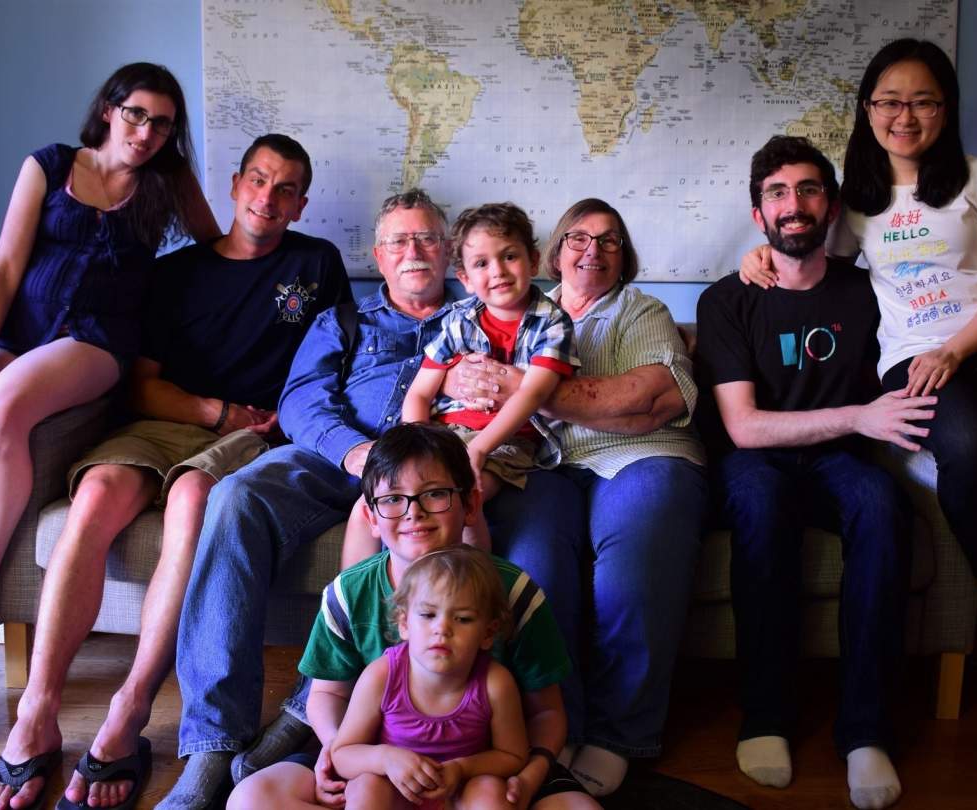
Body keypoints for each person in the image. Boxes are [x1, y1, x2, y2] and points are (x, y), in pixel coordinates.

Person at [161, 191, 598, 810]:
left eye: (426, 240)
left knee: (476, 520)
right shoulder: (342, 320)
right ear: (378, 255)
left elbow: (527, 387)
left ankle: (322, 706)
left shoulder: (481, 313)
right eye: (399, 241)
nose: (413, 252)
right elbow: (303, 403)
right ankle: (212, 744)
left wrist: (448, 444)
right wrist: (357, 455)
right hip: (341, 459)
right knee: (233, 497)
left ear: (449, 254)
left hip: (439, 467)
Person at [741, 39, 977, 769]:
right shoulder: (859, 204)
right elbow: (801, 241)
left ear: (946, 109)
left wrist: (956, 351)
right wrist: (756, 258)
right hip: (913, 363)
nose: (905, 115)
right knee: (965, 447)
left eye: (923, 100)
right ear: (868, 110)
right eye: (889, 101)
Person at [0, 134, 350, 810]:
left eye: (286, 188)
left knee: (194, 497)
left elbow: (330, 364)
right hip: (176, 417)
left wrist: (249, 420)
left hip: (252, 434)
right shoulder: (176, 272)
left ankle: (128, 711)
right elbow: (141, 388)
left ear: (301, 204)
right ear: (234, 186)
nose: (269, 197)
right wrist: (213, 409)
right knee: (94, 495)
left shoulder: (315, 264)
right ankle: (36, 712)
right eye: (258, 180)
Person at [0, 61, 219, 762]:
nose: (148, 131)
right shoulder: (51, 165)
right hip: (17, 334)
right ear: (110, 109)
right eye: (137, 114)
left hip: (95, 344)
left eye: (164, 123)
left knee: (2, 409)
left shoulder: (164, 184)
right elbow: (1, 267)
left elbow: (218, 248)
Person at [698, 134, 938, 810]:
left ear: (831, 207)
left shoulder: (871, 292)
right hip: (757, 462)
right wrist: (859, 416)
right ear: (758, 216)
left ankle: (866, 730)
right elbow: (743, 428)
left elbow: (939, 302)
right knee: (759, 505)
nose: (793, 205)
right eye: (777, 193)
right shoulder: (726, 302)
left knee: (884, 506)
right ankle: (766, 717)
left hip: (841, 464)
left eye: (807, 190)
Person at [445, 198, 709, 796]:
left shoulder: (641, 310)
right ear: (555, 252)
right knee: (533, 576)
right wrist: (461, 382)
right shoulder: (512, 311)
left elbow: (655, 398)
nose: (594, 249)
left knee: (627, 577)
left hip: (641, 455)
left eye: (611, 240)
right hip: (544, 467)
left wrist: (523, 386)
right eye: (580, 237)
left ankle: (621, 734)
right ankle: (557, 725)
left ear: (625, 256)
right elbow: (458, 381)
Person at [340, 202, 577, 566]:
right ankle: (354, 606)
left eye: (509, 256)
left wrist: (479, 449)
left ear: (533, 260)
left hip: (505, 443)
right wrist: (420, 445)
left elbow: (533, 394)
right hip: (443, 436)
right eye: (481, 263)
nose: (497, 271)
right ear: (465, 277)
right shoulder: (459, 320)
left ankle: (464, 591)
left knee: (460, 499)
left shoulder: (553, 323)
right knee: (369, 505)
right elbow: (420, 392)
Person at [329, 546, 528, 809]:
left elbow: (513, 755)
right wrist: (385, 758)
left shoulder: (494, 683)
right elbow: (343, 755)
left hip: (458, 794)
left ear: (488, 633)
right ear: (404, 623)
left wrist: (461, 768)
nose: (442, 629)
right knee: (366, 785)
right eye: (428, 614)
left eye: (463, 619)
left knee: (489, 791)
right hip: (396, 792)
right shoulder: (382, 675)